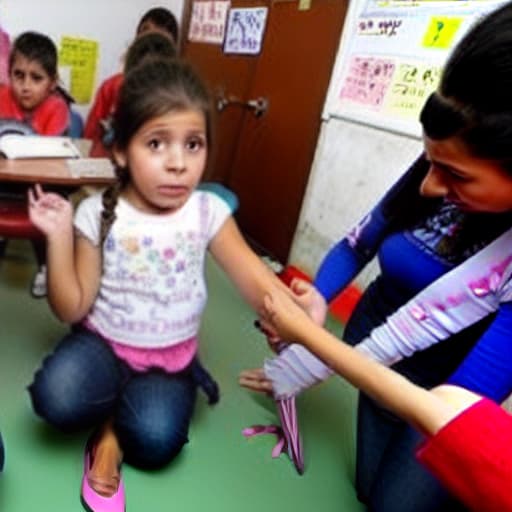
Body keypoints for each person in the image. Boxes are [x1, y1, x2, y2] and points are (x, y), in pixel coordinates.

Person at [241, 3, 512, 511]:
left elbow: (448, 412)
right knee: (372, 490)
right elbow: (356, 244)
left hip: (446, 382)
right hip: (374, 332)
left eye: (456, 176)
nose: (430, 185)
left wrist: (311, 350)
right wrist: (316, 302)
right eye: (430, 162)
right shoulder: (445, 157)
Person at [27, 57, 290, 512]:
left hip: (168, 358)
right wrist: (56, 238)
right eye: (156, 143)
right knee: (54, 400)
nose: (178, 164)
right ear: (121, 150)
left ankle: (113, 430)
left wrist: (298, 312)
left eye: (193, 144)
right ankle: (111, 421)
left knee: (156, 441)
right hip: (103, 345)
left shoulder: (207, 212)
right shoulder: (97, 214)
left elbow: (258, 281)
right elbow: (71, 308)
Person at [252, 284, 512, 512]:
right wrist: (309, 346)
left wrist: (306, 336)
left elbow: (451, 413)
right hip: (432, 386)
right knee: (374, 491)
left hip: (453, 404)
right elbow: (449, 400)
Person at [0, 31, 70, 299]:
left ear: (52, 82)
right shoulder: (2, 96)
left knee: (47, 205)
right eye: (18, 75)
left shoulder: (57, 108)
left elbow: (51, 158)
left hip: (39, 186)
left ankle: (44, 265)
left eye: (36, 78)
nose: (25, 86)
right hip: (5, 183)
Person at [84, 6, 179, 157]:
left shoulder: (178, 97)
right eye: (145, 33)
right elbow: (90, 136)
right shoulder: (111, 87)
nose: (150, 47)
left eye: (159, 41)